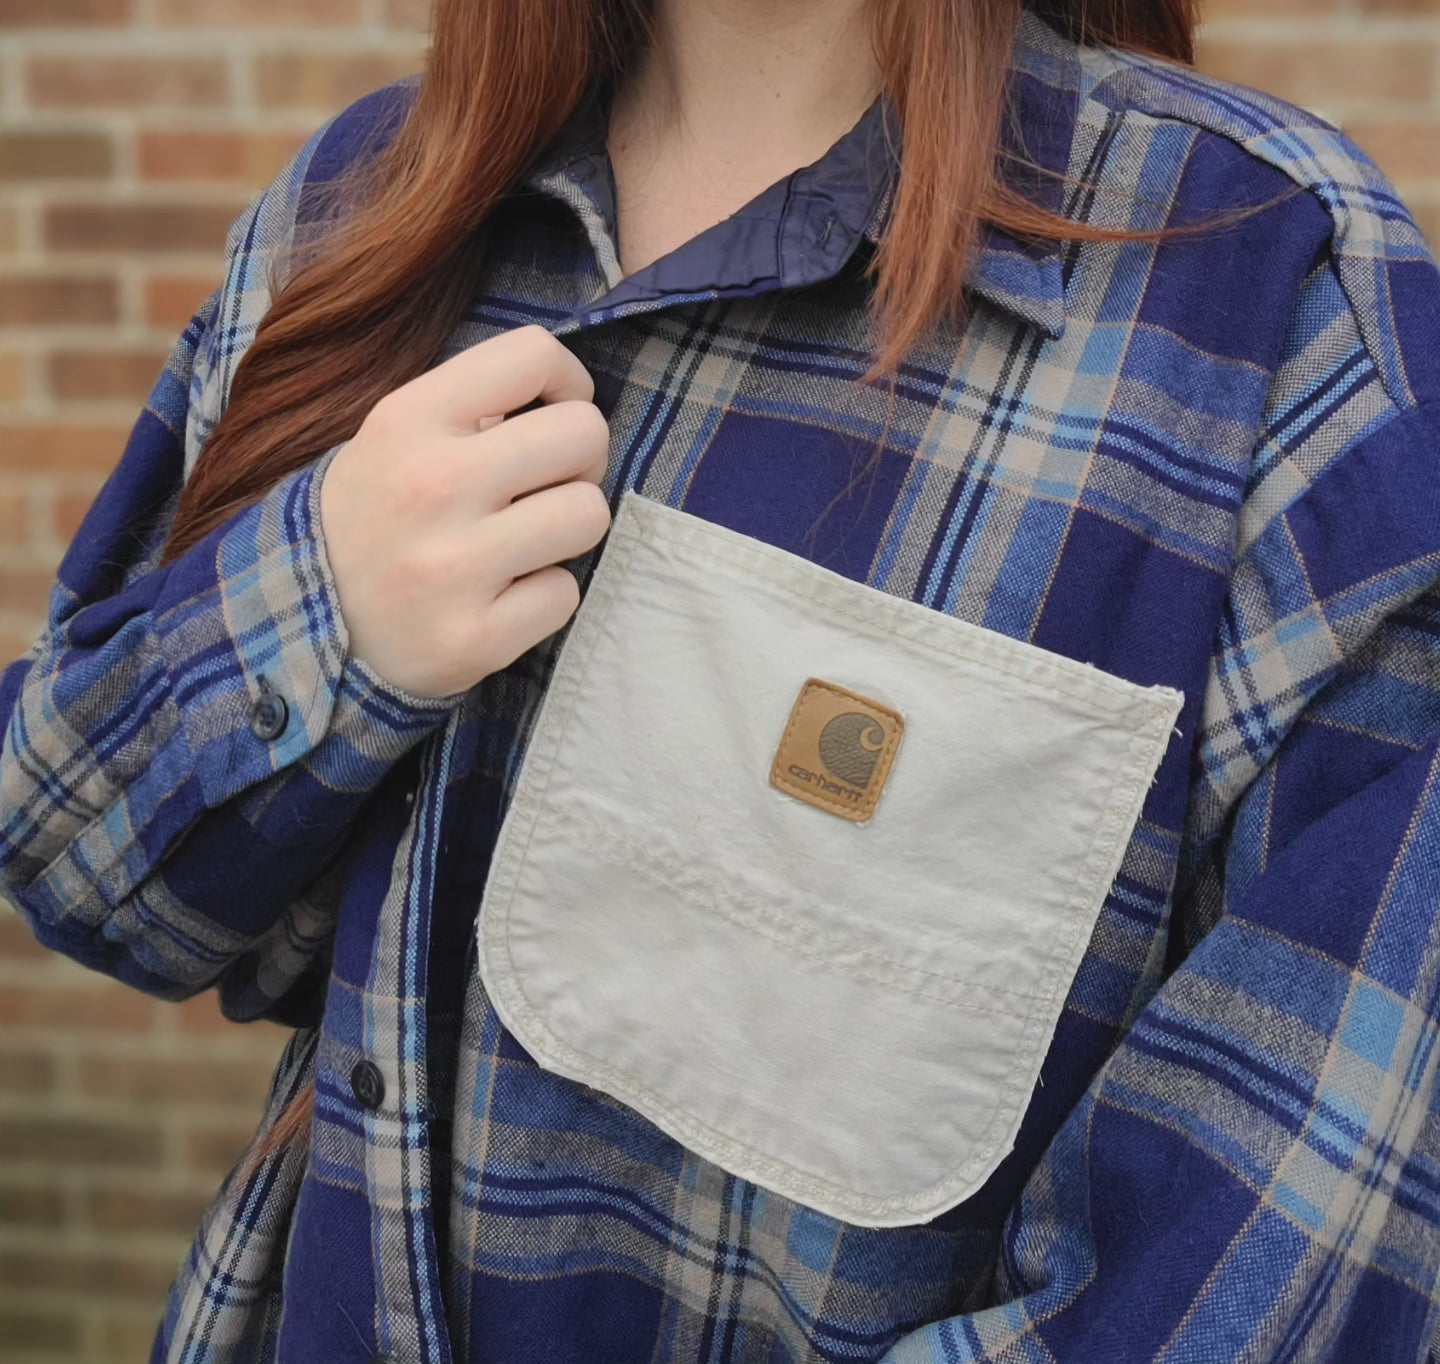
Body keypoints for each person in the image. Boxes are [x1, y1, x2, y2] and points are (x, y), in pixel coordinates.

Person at [3, 0, 1439, 1359]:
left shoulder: (1283, 316)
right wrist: (325, 606)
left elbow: (1287, 1277)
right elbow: (72, 856)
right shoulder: (363, 206)